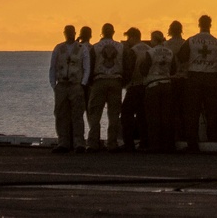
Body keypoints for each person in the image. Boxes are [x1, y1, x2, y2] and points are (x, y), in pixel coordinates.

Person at [177, 14, 217, 150]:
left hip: (194, 78)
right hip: (212, 78)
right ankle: (213, 142)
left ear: (199, 24)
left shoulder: (191, 41)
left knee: (192, 111)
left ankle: (192, 142)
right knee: (212, 111)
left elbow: (181, 57)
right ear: (210, 25)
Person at [49, 24, 91, 153]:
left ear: (75, 32)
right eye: (67, 32)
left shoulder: (81, 49)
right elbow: (53, 66)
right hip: (61, 84)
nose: (69, 34)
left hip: (75, 85)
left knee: (77, 114)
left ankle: (79, 143)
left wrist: (83, 83)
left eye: (71, 31)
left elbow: (86, 67)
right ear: (64, 33)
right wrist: (54, 85)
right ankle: (63, 142)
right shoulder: (58, 48)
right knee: (61, 114)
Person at [86, 23, 126, 152]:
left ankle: (93, 143)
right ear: (113, 32)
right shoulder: (121, 47)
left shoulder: (95, 47)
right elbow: (126, 65)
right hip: (116, 80)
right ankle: (112, 143)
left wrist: (90, 82)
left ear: (102, 32)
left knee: (94, 113)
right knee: (114, 114)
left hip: (99, 80)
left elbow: (89, 66)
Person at [139, 30, 177, 152]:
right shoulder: (170, 52)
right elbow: (173, 70)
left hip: (153, 85)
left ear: (153, 39)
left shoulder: (150, 52)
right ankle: (168, 144)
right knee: (166, 116)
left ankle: (154, 145)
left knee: (153, 116)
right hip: (167, 84)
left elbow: (144, 70)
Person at [120, 27, 150, 151]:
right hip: (146, 86)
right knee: (143, 115)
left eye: (128, 38)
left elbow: (129, 69)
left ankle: (129, 143)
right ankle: (144, 142)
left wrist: (123, 83)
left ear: (133, 37)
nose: (128, 41)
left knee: (126, 114)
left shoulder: (133, 51)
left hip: (134, 86)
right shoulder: (149, 49)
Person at [164, 20, 188, 144]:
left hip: (171, 80)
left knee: (171, 110)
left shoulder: (166, 45)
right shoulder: (186, 44)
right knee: (184, 110)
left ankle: (172, 137)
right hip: (184, 80)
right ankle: (184, 136)